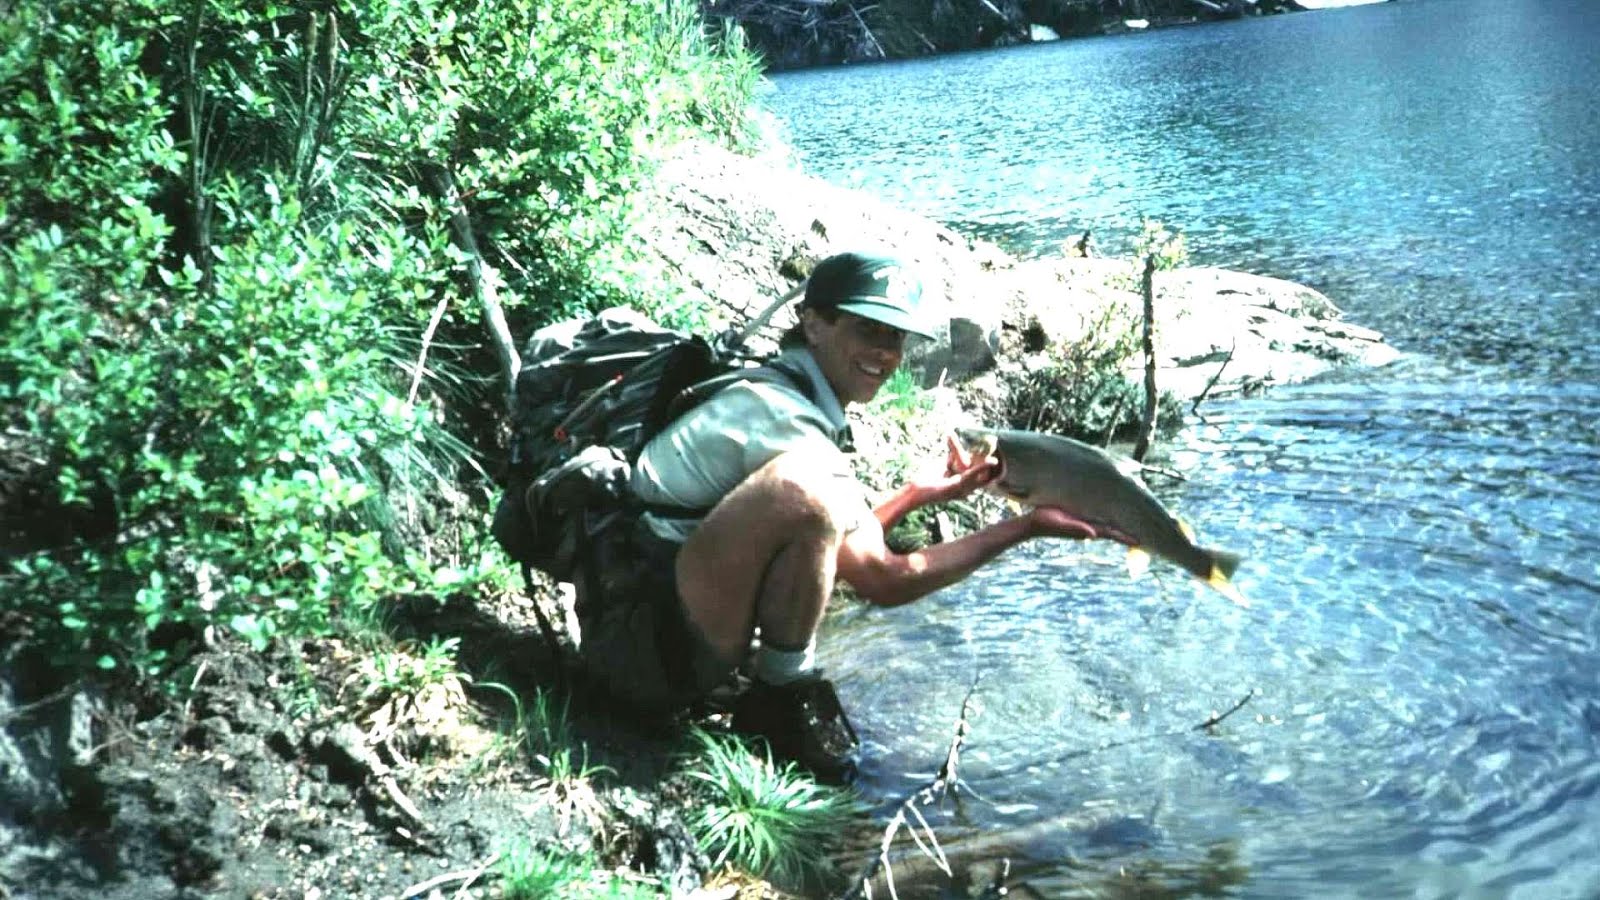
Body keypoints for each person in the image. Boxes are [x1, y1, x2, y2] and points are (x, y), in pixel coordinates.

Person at [572, 251, 1125, 782]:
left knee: (810, 500)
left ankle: (763, 690)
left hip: (636, 621)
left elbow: (829, 542)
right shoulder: (789, 425)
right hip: (641, 658)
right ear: (813, 324)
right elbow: (882, 578)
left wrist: (914, 496)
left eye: (896, 338)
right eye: (868, 330)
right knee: (806, 490)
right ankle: (779, 705)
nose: (886, 355)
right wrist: (1024, 526)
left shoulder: (775, 387)